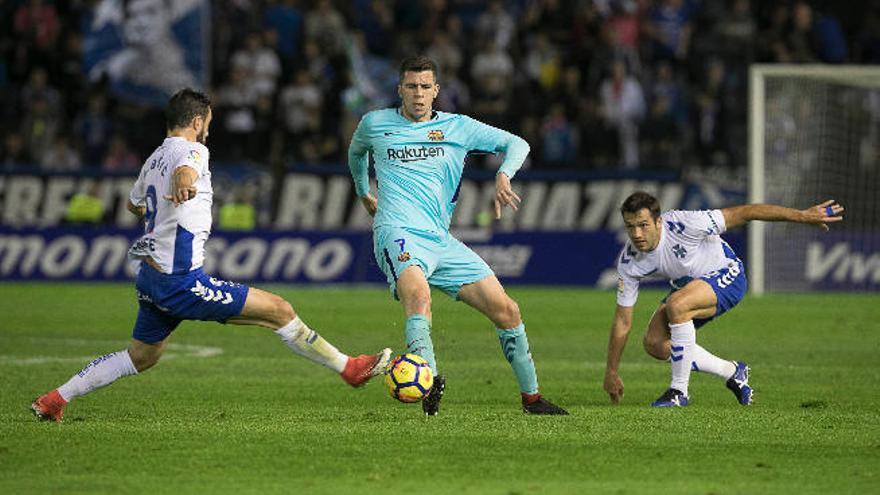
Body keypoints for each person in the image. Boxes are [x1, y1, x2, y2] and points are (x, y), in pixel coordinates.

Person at [31, 89, 391, 422]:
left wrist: (164, 213)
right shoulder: (194, 151)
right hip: (180, 282)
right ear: (198, 121)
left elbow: (133, 204)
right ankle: (350, 369)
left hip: (151, 277)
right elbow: (186, 170)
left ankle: (54, 399)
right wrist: (185, 183)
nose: (207, 132)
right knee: (280, 311)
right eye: (208, 124)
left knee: (141, 356)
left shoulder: (153, 158)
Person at [347, 55, 567, 416]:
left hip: (440, 240)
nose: (418, 94)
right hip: (396, 230)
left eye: (425, 87)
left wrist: (504, 175)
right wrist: (362, 191)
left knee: (508, 310)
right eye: (411, 86)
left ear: (436, 91)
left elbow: (518, 144)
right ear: (399, 89)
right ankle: (428, 379)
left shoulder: (458, 127)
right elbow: (356, 154)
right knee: (418, 297)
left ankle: (532, 399)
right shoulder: (375, 123)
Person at [603, 191, 844, 407]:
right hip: (688, 288)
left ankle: (678, 391)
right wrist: (611, 371)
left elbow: (747, 212)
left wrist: (802, 216)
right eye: (630, 226)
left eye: (643, 225)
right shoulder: (629, 261)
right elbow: (623, 321)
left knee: (678, 304)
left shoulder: (685, 224)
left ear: (658, 221)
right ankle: (731, 372)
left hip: (728, 275)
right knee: (654, 343)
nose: (637, 234)